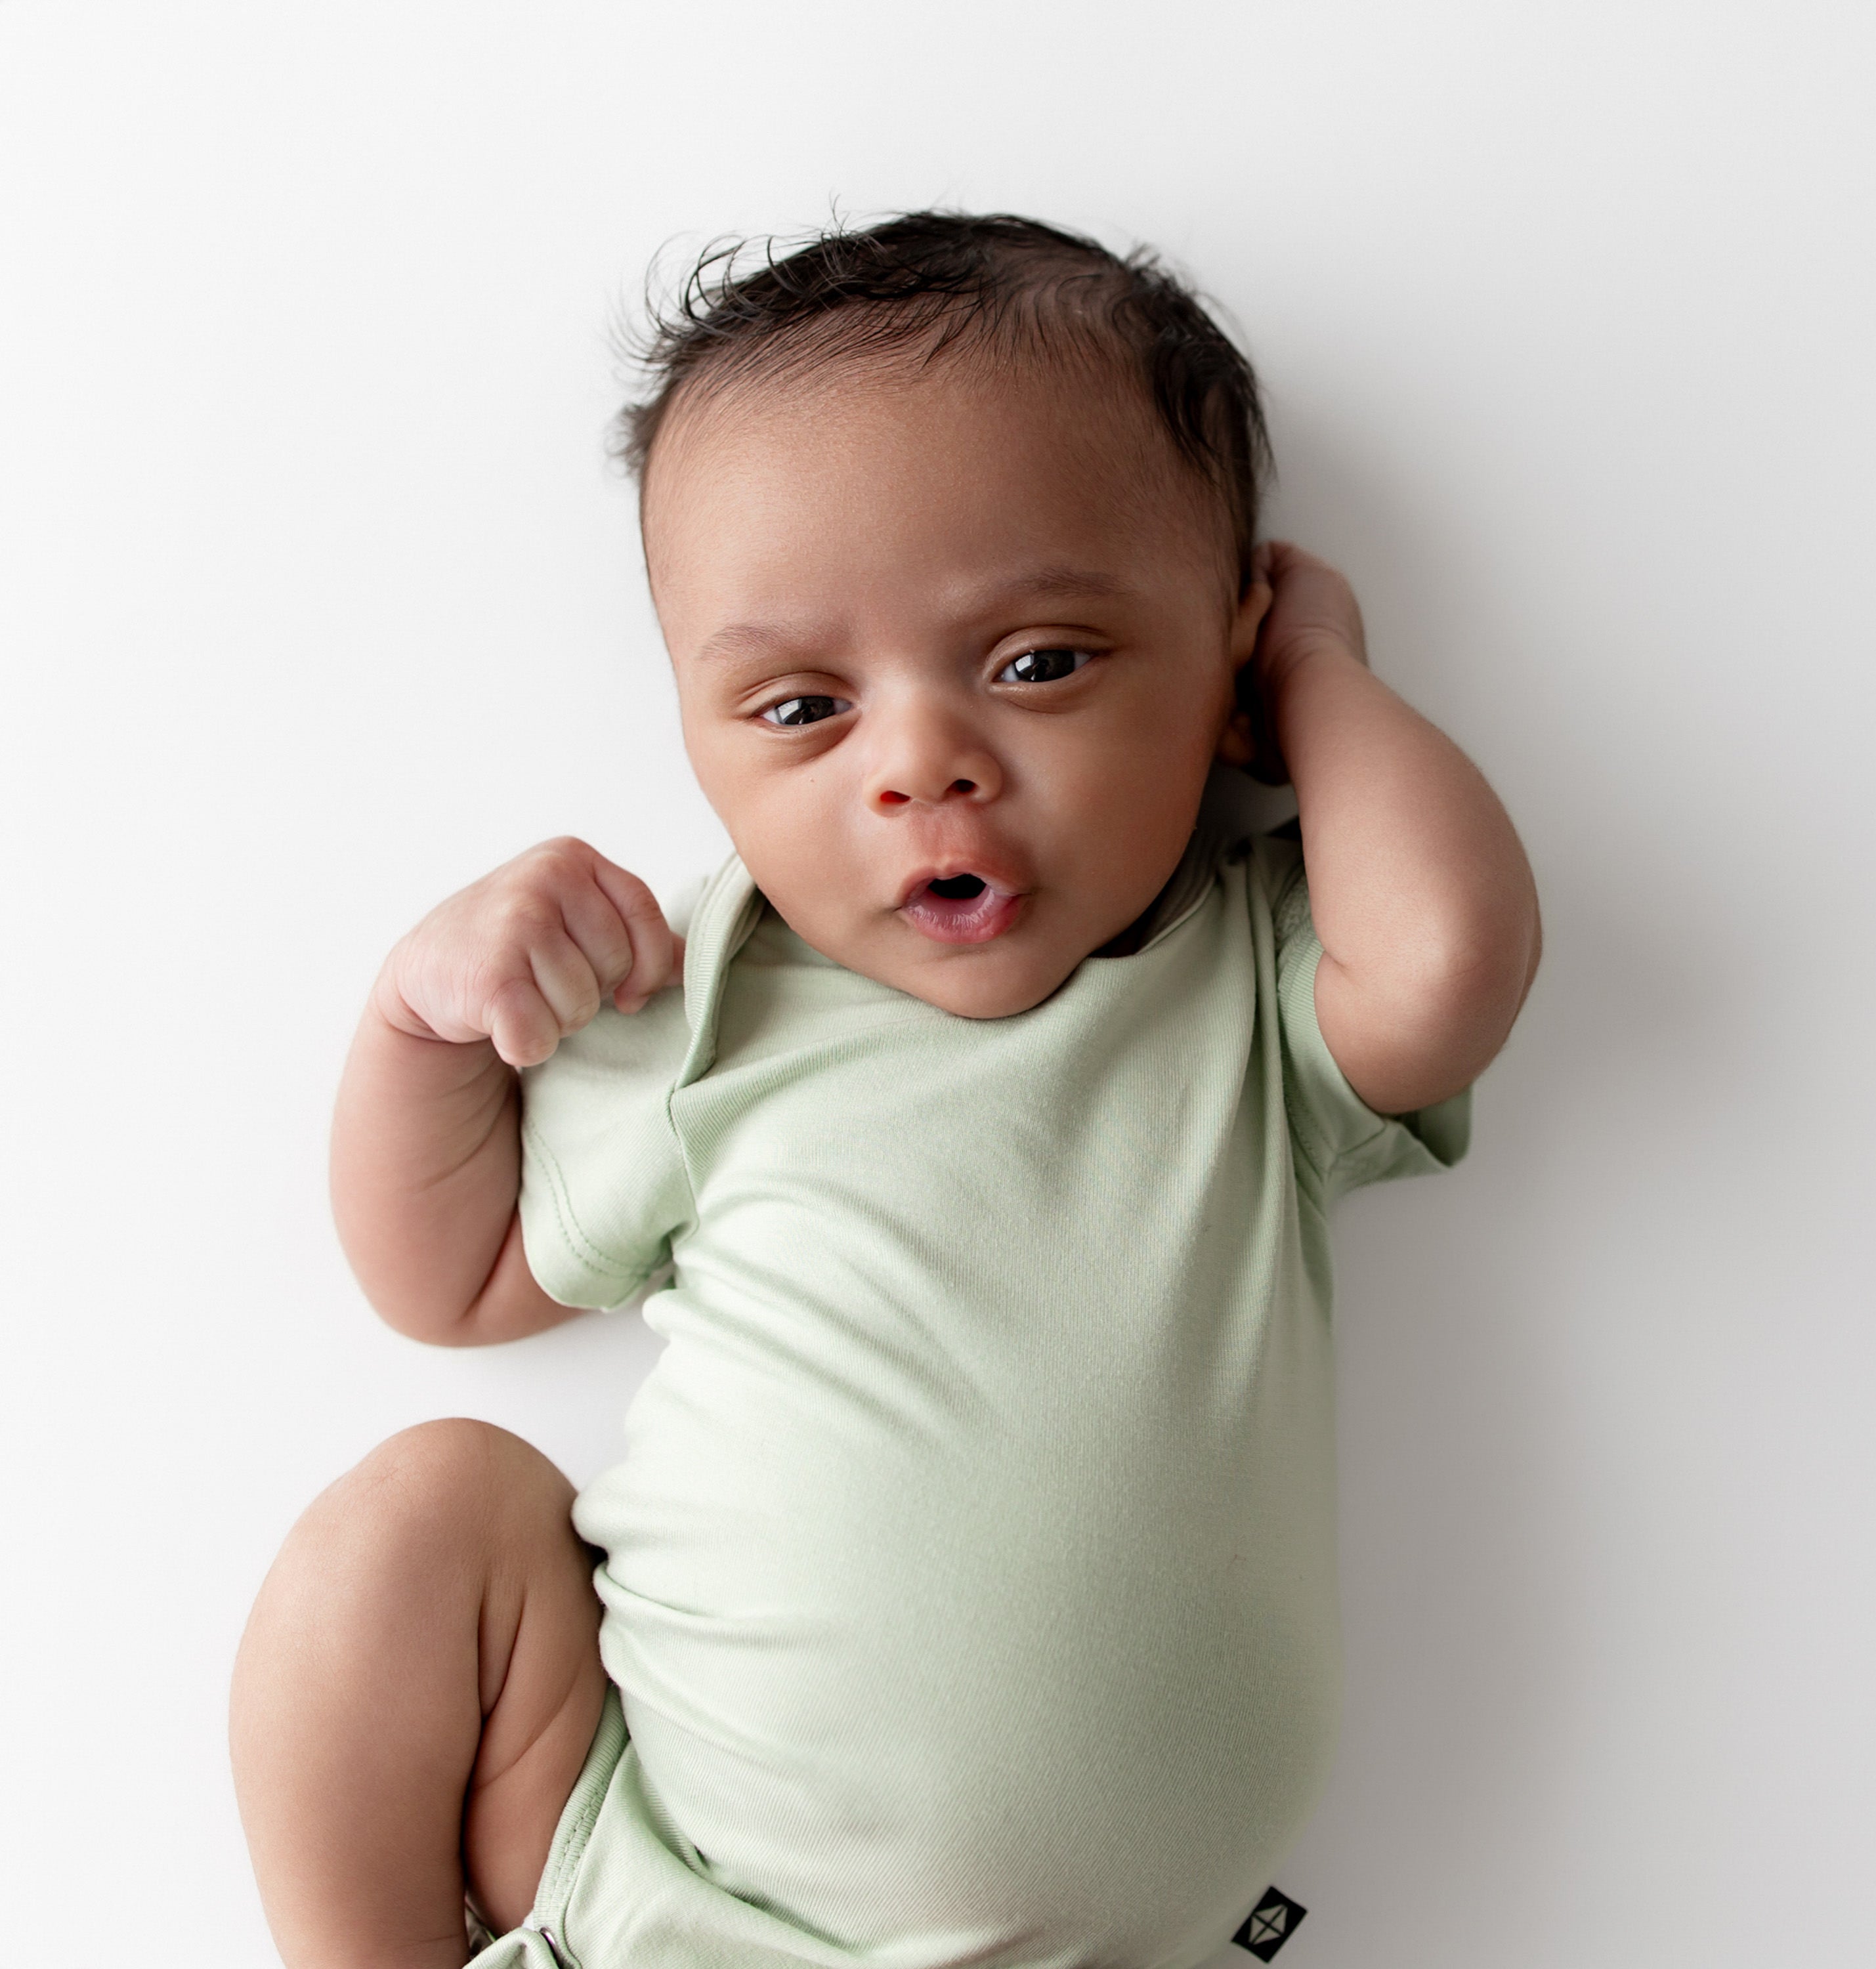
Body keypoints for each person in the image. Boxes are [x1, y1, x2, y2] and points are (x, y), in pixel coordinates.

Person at [229, 211, 1541, 1969]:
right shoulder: (716, 1000)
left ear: (1222, 661)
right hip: (663, 1890)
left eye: (1040, 663)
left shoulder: (1244, 984)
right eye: (800, 707)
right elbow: (447, 1279)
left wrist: (1320, 675)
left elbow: (1452, 961)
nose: (923, 762)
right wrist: (417, 1022)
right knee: (420, 1517)